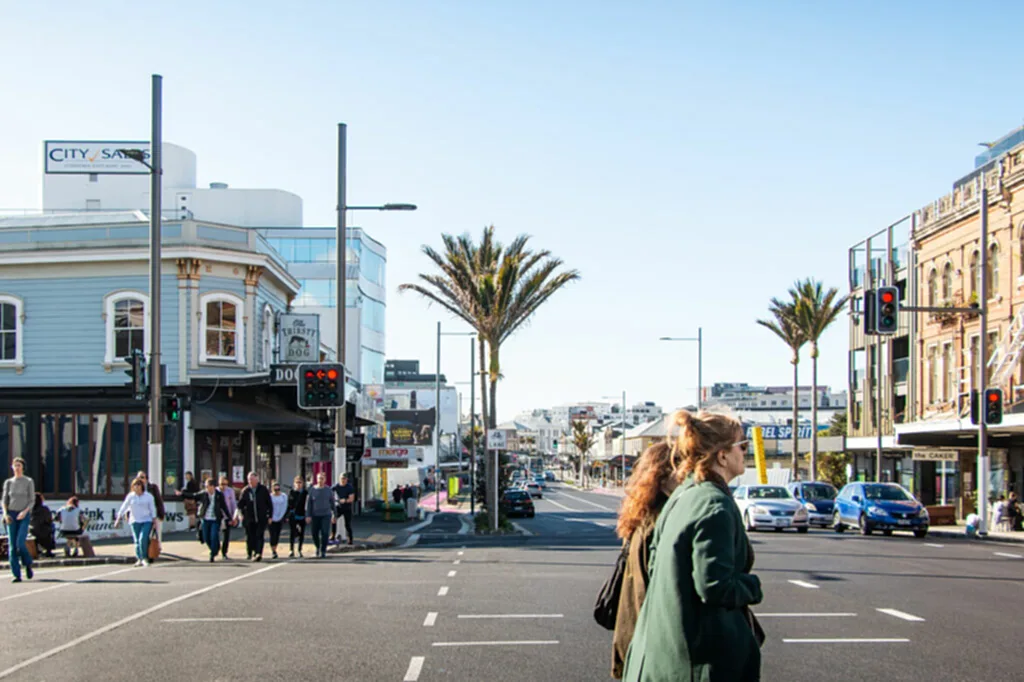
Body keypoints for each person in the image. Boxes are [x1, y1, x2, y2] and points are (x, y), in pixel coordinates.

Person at [622, 409, 763, 682]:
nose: (745, 452)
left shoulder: (682, 496)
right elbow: (715, 585)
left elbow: (655, 564)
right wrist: (752, 586)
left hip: (659, 656)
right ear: (722, 455)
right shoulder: (714, 505)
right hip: (696, 663)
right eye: (742, 445)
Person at [611, 441, 677, 679]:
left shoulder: (638, 515)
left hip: (632, 635)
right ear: (666, 475)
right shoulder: (661, 520)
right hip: (650, 642)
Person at [2, 457, 36, 582]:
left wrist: (25, 512)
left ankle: (27, 563)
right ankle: (16, 574)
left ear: (22, 467)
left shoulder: (28, 481)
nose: (17, 468)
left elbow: (32, 500)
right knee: (11, 546)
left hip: (23, 515)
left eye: (19, 465)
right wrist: (5, 514)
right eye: (15, 465)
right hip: (11, 514)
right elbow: (4, 500)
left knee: (19, 543)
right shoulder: (8, 483)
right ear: (12, 467)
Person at [183, 478, 231, 562]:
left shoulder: (219, 495)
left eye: (207, 486)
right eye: (205, 486)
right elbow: (193, 495)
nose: (206, 488)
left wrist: (229, 518)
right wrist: (182, 494)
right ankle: (215, 547)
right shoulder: (204, 494)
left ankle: (212, 554)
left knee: (213, 535)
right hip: (205, 519)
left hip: (215, 519)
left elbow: (224, 507)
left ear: (212, 487)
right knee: (206, 537)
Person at [114, 477, 158, 567]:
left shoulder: (148, 496)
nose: (136, 487)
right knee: (137, 540)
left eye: (138, 485)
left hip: (146, 520)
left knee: (143, 538)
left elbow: (152, 508)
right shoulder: (131, 496)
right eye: (135, 485)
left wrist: (154, 520)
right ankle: (139, 558)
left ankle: (145, 558)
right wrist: (118, 518)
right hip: (135, 520)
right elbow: (124, 506)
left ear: (142, 486)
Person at [236, 472, 272, 562]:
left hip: (261, 517)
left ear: (257, 479)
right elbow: (240, 505)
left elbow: (269, 504)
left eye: (252, 479)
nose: (250, 481)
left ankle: (258, 552)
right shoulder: (245, 491)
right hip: (249, 518)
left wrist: (270, 516)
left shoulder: (263, 490)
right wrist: (240, 514)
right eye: (249, 479)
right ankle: (250, 552)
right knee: (250, 536)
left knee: (259, 535)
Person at [306, 472, 335, 559]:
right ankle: (317, 547)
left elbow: (332, 503)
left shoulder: (328, 490)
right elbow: (309, 504)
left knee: (325, 533)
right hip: (315, 515)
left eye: (322, 478)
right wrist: (308, 515)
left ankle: (323, 550)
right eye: (319, 478)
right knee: (314, 533)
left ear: (325, 480)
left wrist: (334, 515)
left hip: (326, 515)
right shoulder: (312, 490)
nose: (320, 480)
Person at [30, 493, 56, 558]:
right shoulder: (44, 509)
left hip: (32, 530)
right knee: (51, 527)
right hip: (43, 531)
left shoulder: (30, 510)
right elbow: (49, 520)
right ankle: (48, 551)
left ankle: (37, 550)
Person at [332, 473, 356, 546]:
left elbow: (352, 499)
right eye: (342, 478)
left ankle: (350, 539)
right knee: (333, 519)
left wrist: (345, 500)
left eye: (344, 479)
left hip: (347, 508)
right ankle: (333, 535)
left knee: (347, 524)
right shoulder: (337, 486)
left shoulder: (349, 487)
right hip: (339, 506)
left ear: (347, 479)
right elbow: (329, 490)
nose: (343, 480)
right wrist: (331, 498)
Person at [288, 476, 308, 558]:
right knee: (292, 532)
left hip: (302, 515)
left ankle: (300, 549)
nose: (298, 484)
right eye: (297, 482)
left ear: (303, 484)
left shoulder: (305, 493)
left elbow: (307, 504)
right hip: (293, 515)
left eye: (300, 482)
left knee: (301, 533)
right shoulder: (292, 492)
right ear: (294, 483)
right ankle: (291, 549)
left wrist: (307, 514)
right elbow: (289, 504)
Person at [219, 477, 238, 559]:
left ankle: (224, 552)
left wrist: (234, 516)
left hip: (227, 516)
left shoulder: (230, 491)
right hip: (218, 516)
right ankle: (216, 547)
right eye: (222, 484)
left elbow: (233, 503)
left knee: (226, 535)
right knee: (214, 534)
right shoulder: (216, 491)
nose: (224, 486)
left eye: (225, 484)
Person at [268, 481, 288, 559]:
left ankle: (275, 547)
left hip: (280, 517)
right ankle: (273, 550)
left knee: (277, 534)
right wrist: (269, 517)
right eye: (275, 489)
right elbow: (268, 507)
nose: (277, 491)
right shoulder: (270, 497)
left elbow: (285, 506)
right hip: (271, 518)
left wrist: (282, 516)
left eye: (278, 489)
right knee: (272, 534)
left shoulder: (283, 496)